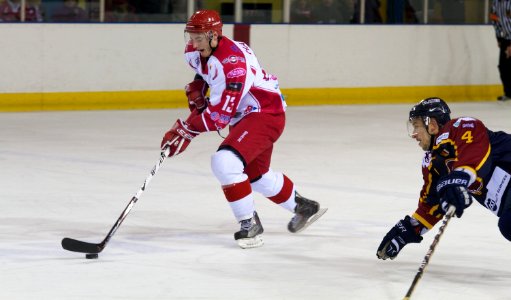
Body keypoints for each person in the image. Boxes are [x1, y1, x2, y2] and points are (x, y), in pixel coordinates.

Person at [160, 9, 327, 249]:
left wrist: (186, 129)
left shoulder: (234, 65)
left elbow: (218, 117)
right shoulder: (198, 51)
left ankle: (250, 225)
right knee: (256, 176)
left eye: (199, 38)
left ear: (213, 35)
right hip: (247, 116)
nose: (194, 44)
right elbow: (204, 70)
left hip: (265, 114)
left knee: (225, 163)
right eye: (191, 37)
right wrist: (198, 85)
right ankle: (303, 207)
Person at [377, 97, 511, 260]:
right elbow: (432, 204)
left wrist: (459, 178)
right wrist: (409, 229)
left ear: (432, 125)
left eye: (417, 126)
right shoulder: (435, 163)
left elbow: (474, 153)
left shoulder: (462, 126)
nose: (414, 134)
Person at [491, 0, 511, 101]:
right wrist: (499, 38)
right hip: (505, 38)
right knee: (503, 67)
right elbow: (494, 20)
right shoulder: (496, 2)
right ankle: (508, 93)